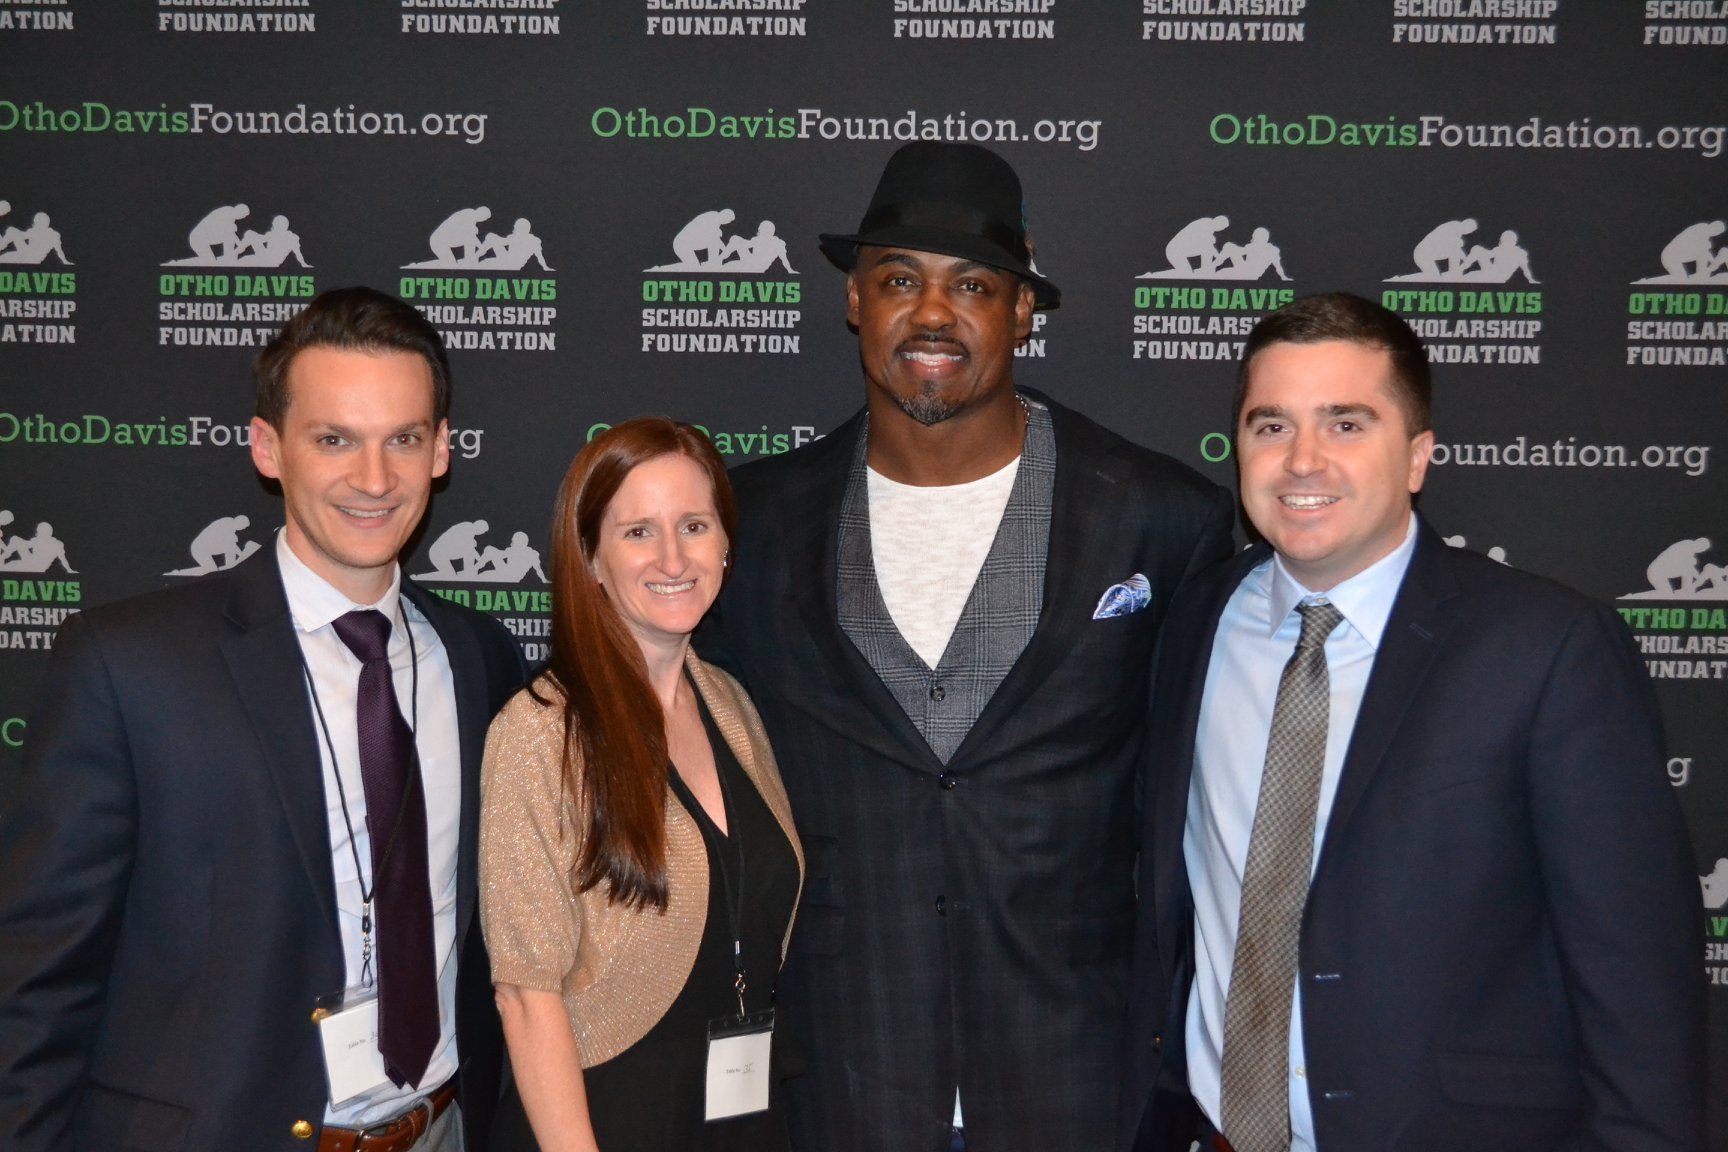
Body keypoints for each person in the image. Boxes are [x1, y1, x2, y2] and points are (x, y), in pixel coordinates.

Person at [698, 141, 1235, 1152]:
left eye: (973, 286)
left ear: (1025, 311)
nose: (932, 314)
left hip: (1080, 1085)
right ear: (855, 300)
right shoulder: (746, 524)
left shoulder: (1164, 519)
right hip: (836, 1083)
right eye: (899, 279)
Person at [1123, 292, 1704, 1152]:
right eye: (1271, 425)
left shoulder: (1548, 650)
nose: (1302, 462)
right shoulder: (1198, 615)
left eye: (1347, 425)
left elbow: (1639, 990)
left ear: (1418, 457)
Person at [0, 286, 528, 1151]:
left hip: (440, 1130)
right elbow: (38, 981)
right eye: (334, 440)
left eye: (403, 439)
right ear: (267, 448)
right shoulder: (130, 665)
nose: (373, 478)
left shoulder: (479, 659)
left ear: (440, 451)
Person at [481, 418, 803, 1152]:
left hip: (737, 1115)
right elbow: (526, 996)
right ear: (590, 556)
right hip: (602, 1122)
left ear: (726, 543)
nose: (672, 557)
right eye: (636, 532)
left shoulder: (731, 703)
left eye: (694, 525)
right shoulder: (540, 733)